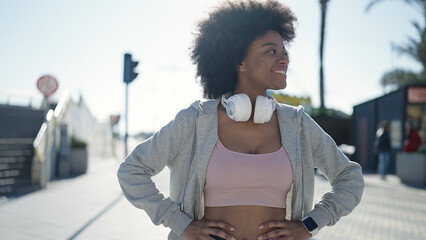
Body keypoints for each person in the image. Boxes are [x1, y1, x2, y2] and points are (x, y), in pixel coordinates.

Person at [117, 1, 364, 240]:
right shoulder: (195, 121)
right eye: (271, 51)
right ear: (239, 61)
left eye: (284, 51)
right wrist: (182, 225)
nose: (284, 59)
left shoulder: (297, 124)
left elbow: (350, 179)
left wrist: (310, 225)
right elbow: (132, 171)